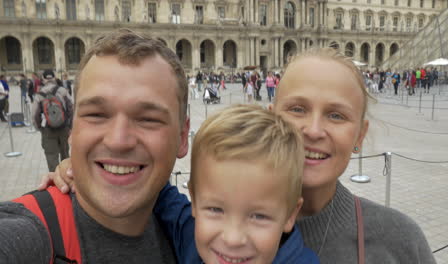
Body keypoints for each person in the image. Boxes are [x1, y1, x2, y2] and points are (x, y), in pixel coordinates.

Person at [41, 104, 320, 264]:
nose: (233, 238)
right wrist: (83, 170)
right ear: (195, 200)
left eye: (258, 216)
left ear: (290, 215)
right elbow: (155, 188)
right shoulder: (189, 230)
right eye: (215, 210)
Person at [0, 29, 188, 263]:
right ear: (72, 129)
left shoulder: (196, 236)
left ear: (182, 137)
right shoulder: (28, 234)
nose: (118, 141)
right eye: (97, 114)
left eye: (148, 118)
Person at [271, 48, 436, 263]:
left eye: (336, 115)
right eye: (298, 109)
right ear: (269, 120)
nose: (313, 130)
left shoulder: (400, 241)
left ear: (360, 135)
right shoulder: (216, 229)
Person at [32, 69, 73, 172]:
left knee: (51, 157)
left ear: (43, 79)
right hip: (64, 129)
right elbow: (72, 109)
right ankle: (67, 178)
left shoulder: (39, 95)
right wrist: (70, 126)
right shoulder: (62, 91)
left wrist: (40, 128)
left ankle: (55, 181)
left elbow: (34, 115)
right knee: (65, 154)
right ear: (54, 78)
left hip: (48, 130)